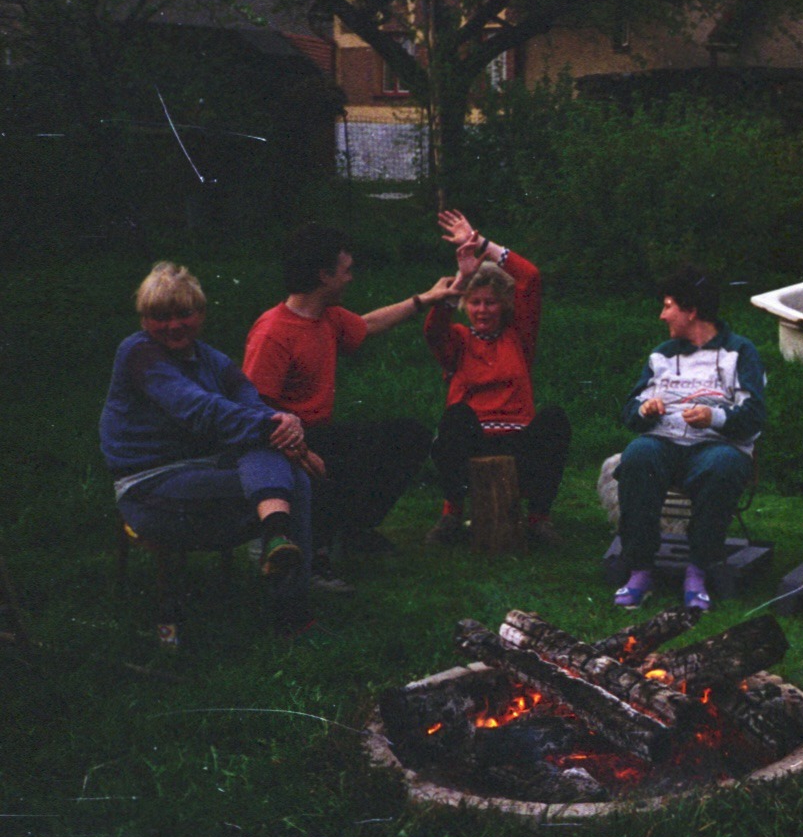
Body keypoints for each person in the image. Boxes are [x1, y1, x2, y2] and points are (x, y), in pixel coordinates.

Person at [100, 262, 320, 644]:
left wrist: (280, 426)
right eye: (159, 317)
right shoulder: (139, 354)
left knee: (263, 441)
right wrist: (288, 435)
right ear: (143, 319)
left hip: (200, 477)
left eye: (184, 314)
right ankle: (289, 605)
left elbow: (250, 404)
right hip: (151, 488)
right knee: (285, 467)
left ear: (200, 314)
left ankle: (277, 539)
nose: (173, 326)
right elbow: (197, 409)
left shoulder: (211, 359)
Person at [242, 223, 456, 585]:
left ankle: (351, 531)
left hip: (320, 433)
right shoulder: (273, 333)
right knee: (338, 464)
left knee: (410, 436)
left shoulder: (328, 316)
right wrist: (299, 451)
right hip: (283, 441)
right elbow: (255, 412)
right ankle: (309, 553)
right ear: (323, 276)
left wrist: (425, 299)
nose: (351, 278)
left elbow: (367, 325)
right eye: (346, 271)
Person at [613, 267, 765, 611]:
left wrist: (716, 416)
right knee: (638, 455)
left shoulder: (740, 353)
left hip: (717, 446)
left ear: (691, 311)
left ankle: (697, 571)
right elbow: (629, 411)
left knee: (722, 466)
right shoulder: (662, 354)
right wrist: (645, 409)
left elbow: (755, 416)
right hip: (664, 443)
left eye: (668, 306)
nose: (662, 314)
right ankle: (639, 569)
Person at [423, 210, 572, 546]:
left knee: (554, 419)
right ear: (465, 305)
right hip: (474, 440)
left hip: (517, 439)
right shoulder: (459, 339)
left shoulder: (518, 337)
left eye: (491, 303)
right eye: (474, 303)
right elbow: (433, 331)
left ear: (504, 306)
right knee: (455, 417)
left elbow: (530, 277)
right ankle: (451, 515)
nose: (482, 310)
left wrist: (482, 244)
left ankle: (538, 519)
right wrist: (461, 279)